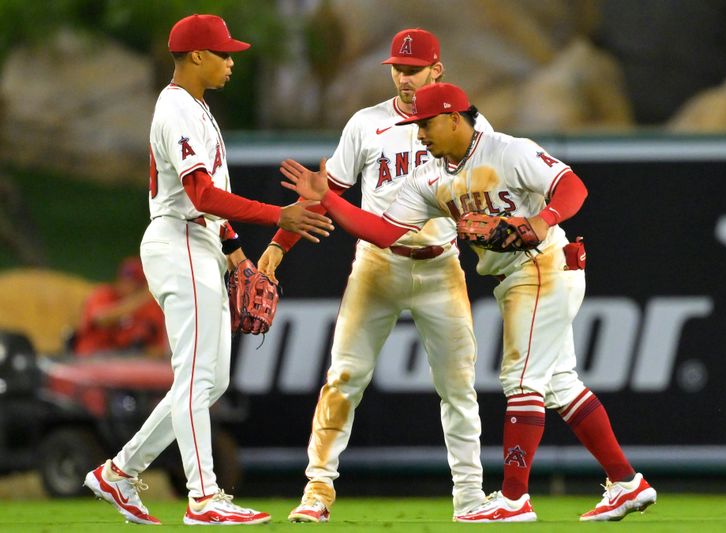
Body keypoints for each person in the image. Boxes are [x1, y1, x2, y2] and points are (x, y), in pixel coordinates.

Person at [280, 82, 658, 523]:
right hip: (513, 276)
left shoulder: (506, 150)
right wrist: (326, 197)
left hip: (543, 265)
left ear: (454, 118)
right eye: (416, 126)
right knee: (558, 384)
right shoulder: (430, 178)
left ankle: (514, 498)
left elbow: (572, 186)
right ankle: (627, 483)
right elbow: (382, 232)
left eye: (426, 125)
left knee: (521, 380)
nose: (420, 135)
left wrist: (541, 220)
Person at [83, 14, 333, 526]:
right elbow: (200, 195)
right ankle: (204, 497)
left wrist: (237, 254)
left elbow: (211, 209)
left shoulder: (197, 108)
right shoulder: (175, 108)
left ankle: (120, 471)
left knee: (209, 382)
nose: (232, 61)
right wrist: (276, 215)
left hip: (201, 242)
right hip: (177, 240)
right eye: (223, 53)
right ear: (196, 56)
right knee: (196, 377)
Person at [259, 29, 491, 523]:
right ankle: (317, 490)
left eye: (415, 69)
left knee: (458, 386)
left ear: (437, 70)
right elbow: (324, 192)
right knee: (343, 377)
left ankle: (470, 498)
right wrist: (280, 245)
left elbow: (494, 182)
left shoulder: (462, 122)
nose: (405, 78)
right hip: (376, 266)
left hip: (440, 263)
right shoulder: (367, 124)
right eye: (399, 69)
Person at [73, 257, 168, 358]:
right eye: (125, 281)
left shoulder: (150, 307)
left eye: (135, 283)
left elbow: (159, 349)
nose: (127, 286)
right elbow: (102, 319)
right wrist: (140, 299)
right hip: (89, 360)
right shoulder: (103, 294)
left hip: (126, 362)